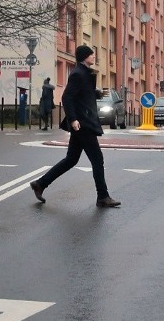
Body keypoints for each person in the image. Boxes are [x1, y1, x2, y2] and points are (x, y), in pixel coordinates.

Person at [30, 45, 121, 208]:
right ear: (84, 57)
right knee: (97, 159)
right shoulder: (78, 74)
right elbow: (67, 97)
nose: (93, 57)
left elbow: (82, 94)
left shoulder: (84, 73)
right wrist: (72, 119)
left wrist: (96, 93)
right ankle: (103, 196)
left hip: (83, 122)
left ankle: (40, 184)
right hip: (82, 123)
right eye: (91, 55)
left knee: (71, 159)